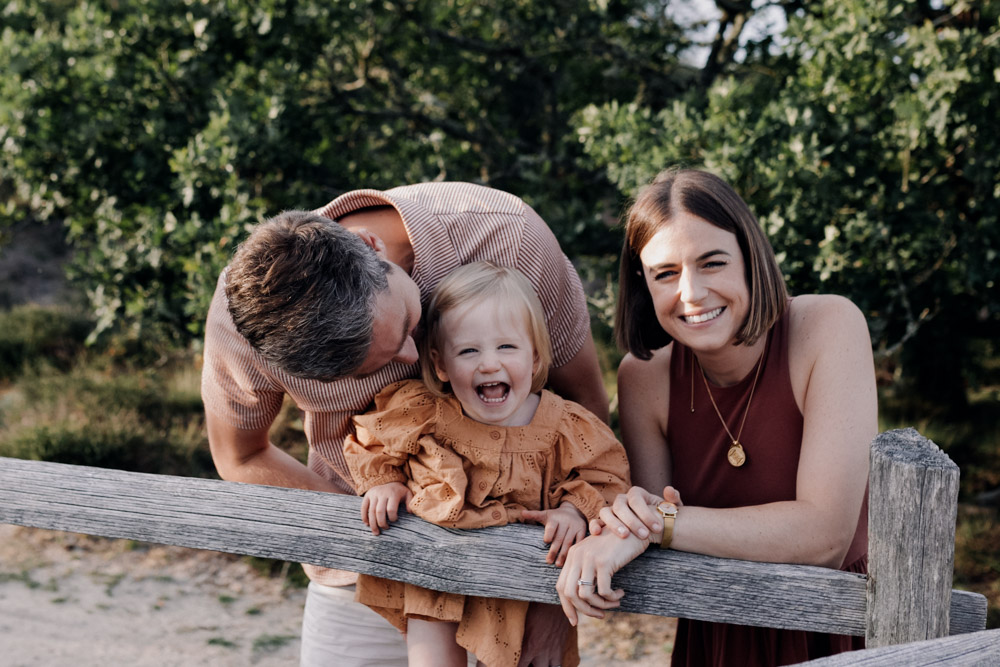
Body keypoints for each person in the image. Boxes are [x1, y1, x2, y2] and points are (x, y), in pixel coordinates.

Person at [200, 182, 609, 667]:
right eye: (371, 369)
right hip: (359, 571)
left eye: (407, 326)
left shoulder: (509, 237)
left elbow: (584, 408)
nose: (416, 361)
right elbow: (241, 454)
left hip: (525, 569)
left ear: (372, 247)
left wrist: (553, 599)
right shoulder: (245, 319)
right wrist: (370, 538)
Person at [555, 168, 877, 666]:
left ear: (750, 259)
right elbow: (645, 522)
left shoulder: (829, 327)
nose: (692, 292)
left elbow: (825, 538)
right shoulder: (644, 379)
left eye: (712, 262)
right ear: (643, 283)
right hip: (717, 628)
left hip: (837, 625)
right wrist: (617, 535)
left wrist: (659, 525)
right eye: (665, 273)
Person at [344, 262, 631, 667]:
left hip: (526, 587)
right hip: (436, 577)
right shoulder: (426, 413)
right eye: (469, 350)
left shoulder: (565, 426)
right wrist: (384, 482)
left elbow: (608, 475)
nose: (489, 364)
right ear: (441, 364)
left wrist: (574, 510)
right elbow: (371, 438)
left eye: (507, 347)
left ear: (534, 357)